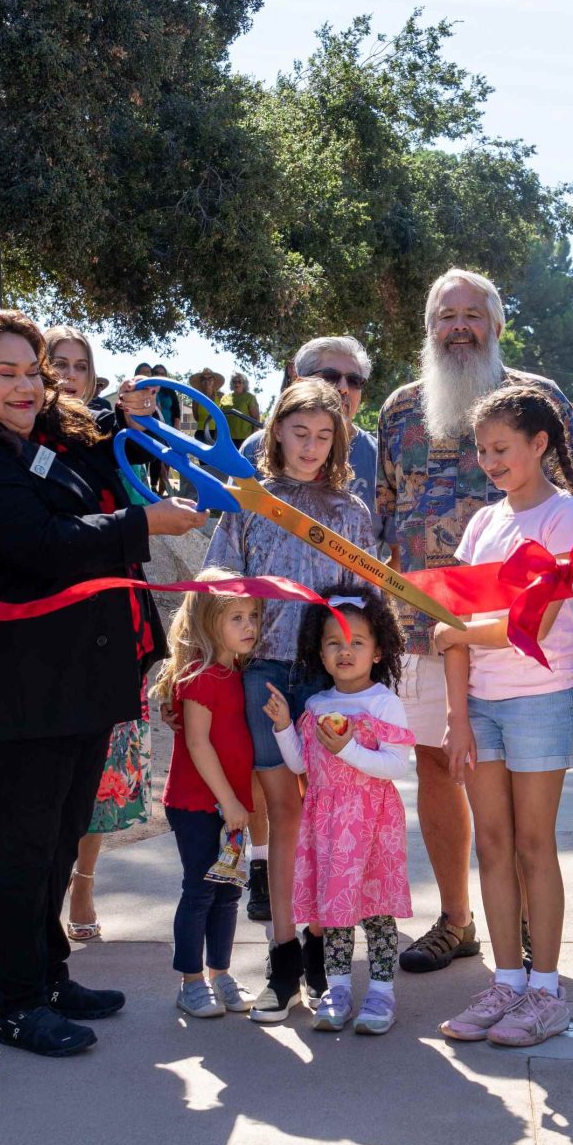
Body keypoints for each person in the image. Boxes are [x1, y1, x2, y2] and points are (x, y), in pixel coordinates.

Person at [0, 310, 204, 1057]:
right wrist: (146, 527)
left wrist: (119, 418)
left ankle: (49, 973)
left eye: (32, 372)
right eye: (3, 374)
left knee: (61, 834)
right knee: (21, 842)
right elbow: (39, 545)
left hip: (79, 675)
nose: (24, 386)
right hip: (16, 685)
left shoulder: (46, 442)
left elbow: (97, 478)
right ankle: (16, 1001)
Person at [374, 270, 573, 976]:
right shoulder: (401, 409)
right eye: (445, 314)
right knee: (440, 763)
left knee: (522, 809)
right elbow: (382, 519)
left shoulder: (540, 400)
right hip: (424, 633)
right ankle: (458, 920)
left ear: (497, 323)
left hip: (523, 646)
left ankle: (528, 939)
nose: (459, 325)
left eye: (473, 313)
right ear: (429, 326)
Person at [204, 377, 377, 1021]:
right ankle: (281, 960)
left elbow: (368, 600)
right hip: (267, 674)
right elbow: (220, 586)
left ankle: (324, 955)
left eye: (323, 435)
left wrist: (363, 677)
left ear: (339, 441)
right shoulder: (249, 501)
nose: (309, 446)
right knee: (280, 813)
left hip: (330, 679)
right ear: (276, 431)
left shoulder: (352, 512)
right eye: (298, 432)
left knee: (330, 815)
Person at [431, 382, 573, 1049]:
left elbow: (536, 623)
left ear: (540, 443)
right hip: (481, 705)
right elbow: (455, 622)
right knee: (492, 844)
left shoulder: (566, 520)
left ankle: (546, 990)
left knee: (533, 844)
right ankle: (506, 980)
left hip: (540, 698)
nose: (491, 460)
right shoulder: (480, 524)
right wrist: (457, 715)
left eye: (502, 448)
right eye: (481, 450)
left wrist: (459, 636)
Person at [43, 324, 164, 944]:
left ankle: (82, 887)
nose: (67, 375)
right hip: (49, 640)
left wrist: (134, 416)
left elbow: (145, 460)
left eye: (79, 366)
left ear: (94, 379)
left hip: (119, 630)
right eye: (55, 363)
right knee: (53, 783)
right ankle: (47, 896)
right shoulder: (15, 443)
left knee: (106, 775)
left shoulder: (109, 438)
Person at [266, 596, 415, 1035]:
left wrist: (347, 749)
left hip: (372, 827)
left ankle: (382, 993)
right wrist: (280, 726)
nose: (345, 652)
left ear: (379, 650)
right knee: (334, 914)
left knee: (376, 912)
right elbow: (300, 765)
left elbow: (395, 766)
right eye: (333, 643)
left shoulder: (383, 703)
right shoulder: (315, 705)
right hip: (328, 828)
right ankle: (338, 989)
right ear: (320, 652)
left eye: (357, 642)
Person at [160, 573, 262, 1019]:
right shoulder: (200, 677)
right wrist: (231, 802)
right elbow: (199, 744)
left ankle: (220, 973)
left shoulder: (238, 673)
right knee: (200, 890)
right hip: (197, 804)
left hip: (229, 808)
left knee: (228, 893)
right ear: (207, 620)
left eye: (253, 616)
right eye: (236, 617)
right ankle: (191, 981)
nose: (249, 626)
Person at [242, 335, 381, 519]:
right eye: (331, 377)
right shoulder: (256, 447)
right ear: (300, 383)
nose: (344, 388)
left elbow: (395, 546)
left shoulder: (379, 458)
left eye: (354, 380)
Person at [224, 370, 264, 443]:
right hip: (227, 437)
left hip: (245, 438)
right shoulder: (225, 398)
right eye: (234, 381)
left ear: (244, 384)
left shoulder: (250, 397)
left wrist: (254, 437)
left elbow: (256, 418)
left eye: (239, 381)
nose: (236, 383)